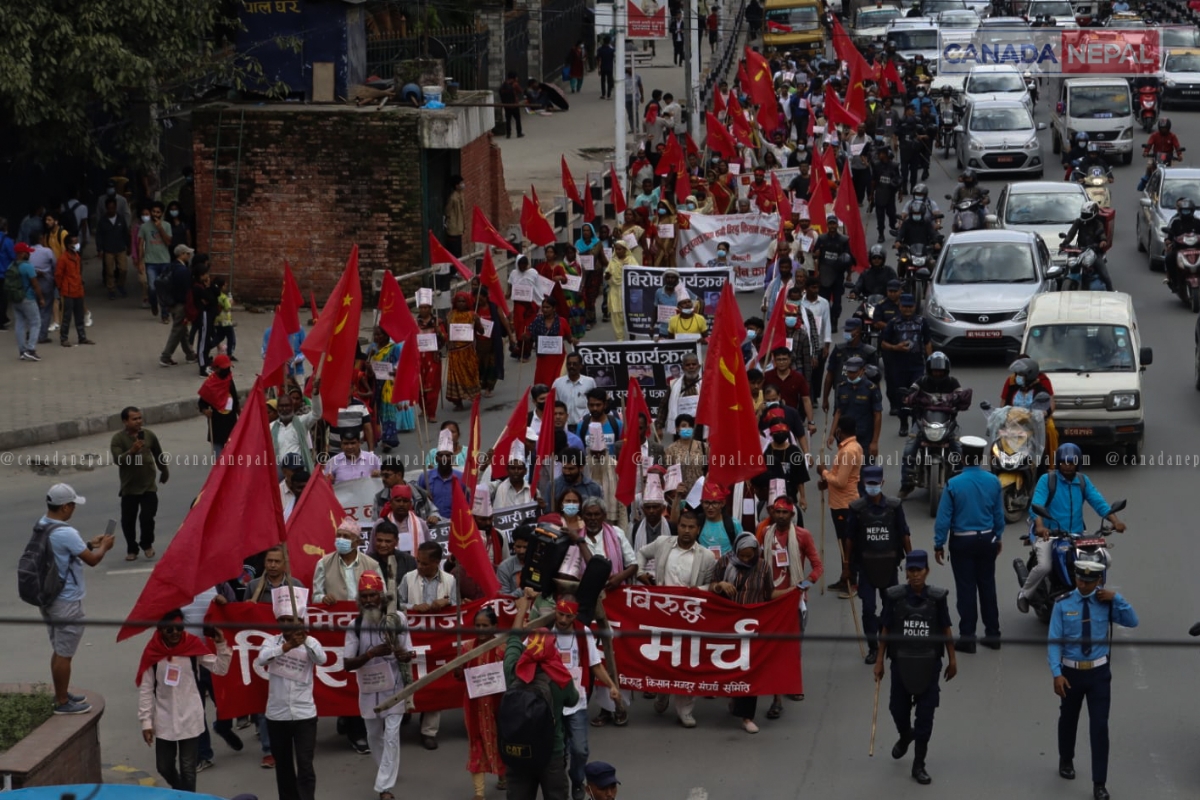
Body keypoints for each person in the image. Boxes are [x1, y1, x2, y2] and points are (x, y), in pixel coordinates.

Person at [1048, 558, 1138, 800]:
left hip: (1098, 673)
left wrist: (1116, 599)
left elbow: (1132, 621)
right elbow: (1054, 641)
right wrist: (1057, 674)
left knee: (1099, 727)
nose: (1084, 585)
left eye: (1089, 581)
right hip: (1071, 672)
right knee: (1068, 719)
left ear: (1099, 581)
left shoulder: (1105, 602)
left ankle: (1100, 783)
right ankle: (1066, 758)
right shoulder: (1063, 604)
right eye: (1080, 580)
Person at [873, 550, 956, 786]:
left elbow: (946, 629)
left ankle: (919, 764)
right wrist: (879, 661)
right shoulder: (895, 598)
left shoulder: (937, 599)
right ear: (906, 572)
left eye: (919, 570)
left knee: (925, 718)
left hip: (929, 665)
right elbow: (886, 630)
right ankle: (905, 734)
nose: (915, 575)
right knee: (897, 708)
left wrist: (952, 660)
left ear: (927, 571)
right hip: (901, 663)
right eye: (911, 570)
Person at [1020, 444, 1126, 612]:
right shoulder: (1047, 480)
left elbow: (1099, 503)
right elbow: (1036, 504)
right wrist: (1040, 526)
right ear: (1058, 462)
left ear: (1078, 463)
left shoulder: (1083, 481)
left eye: (1072, 462)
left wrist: (1116, 521)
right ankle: (1024, 594)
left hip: (1076, 536)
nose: (1067, 466)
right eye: (1064, 462)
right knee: (1044, 566)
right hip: (1050, 534)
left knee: (1105, 559)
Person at [35, 484, 112, 714]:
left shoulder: (42, 525)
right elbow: (93, 560)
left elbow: (68, 553)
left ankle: (61, 692)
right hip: (66, 601)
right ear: (66, 506)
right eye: (73, 505)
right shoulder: (66, 532)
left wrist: (89, 544)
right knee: (65, 653)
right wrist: (105, 547)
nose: (74, 510)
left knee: (60, 649)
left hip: (48, 598)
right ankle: (61, 703)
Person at [137, 610, 232, 792]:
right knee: (163, 766)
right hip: (165, 719)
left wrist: (220, 643)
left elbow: (221, 669)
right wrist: (146, 722)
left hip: (190, 717)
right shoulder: (152, 653)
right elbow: (146, 689)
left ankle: (186, 797)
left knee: (188, 768)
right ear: (160, 631)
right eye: (169, 630)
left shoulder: (192, 647)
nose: (175, 633)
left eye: (179, 628)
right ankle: (181, 792)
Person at [504, 590, 580, 799]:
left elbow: (513, 640)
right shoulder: (559, 678)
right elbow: (573, 699)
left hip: (518, 752)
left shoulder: (513, 670)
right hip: (551, 752)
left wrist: (521, 611)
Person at [343, 572, 413, 800]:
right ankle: (387, 768)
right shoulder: (354, 625)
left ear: (382, 597)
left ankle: (384, 787)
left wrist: (402, 655)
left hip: (394, 687)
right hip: (368, 689)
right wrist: (371, 654)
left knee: (392, 734)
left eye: (373, 595)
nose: (369, 600)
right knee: (374, 735)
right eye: (364, 596)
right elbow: (347, 663)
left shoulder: (398, 619)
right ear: (359, 599)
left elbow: (408, 653)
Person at [254, 587, 329, 800]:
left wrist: (303, 641)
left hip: (304, 714)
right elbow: (262, 659)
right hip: (277, 715)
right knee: (284, 766)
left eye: (291, 620)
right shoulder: (271, 642)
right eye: (283, 620)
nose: (287, 624)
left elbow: (321, 659)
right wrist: (286, 647)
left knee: (305, 764)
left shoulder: (311, 642)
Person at [933, 435, 1005, 653]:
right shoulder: (993, 481)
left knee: (966, 589)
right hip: (987, 539)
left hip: (962, 542)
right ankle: (993, 634)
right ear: (981, 457)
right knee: (987, 586)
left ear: (963, 457)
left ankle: (967, 637)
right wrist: (998, 537)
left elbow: (943, 518)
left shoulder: (954, 484)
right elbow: (998, 515)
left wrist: (939, 544)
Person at [710, 532, 787, 733]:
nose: (745, 560)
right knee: (730, 665)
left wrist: (793, 591)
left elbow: (769, 593)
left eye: (749, 556)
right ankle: (734, 698)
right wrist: (720, 585)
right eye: (742, 555)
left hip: (751, 626)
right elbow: (710, 587)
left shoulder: (763, 567)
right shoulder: (724, 563)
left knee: (749, 669)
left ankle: (747, 717)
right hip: (727, 624)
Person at [754, 496, 822, 715]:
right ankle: (776, 694)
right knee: (773, 647)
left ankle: (791, 686)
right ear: (772, 513)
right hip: (771, 598)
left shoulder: (803, 535)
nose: (781, 516)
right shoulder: (765, 534)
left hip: (794, 599)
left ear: (792, 515)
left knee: (792, 647)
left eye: (785, 512)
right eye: (777, 512)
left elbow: (817, 566)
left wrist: (804, 584)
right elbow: (757, 562)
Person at [552, 596, 621, 799]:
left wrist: (611, 685)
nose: (563, 620)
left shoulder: (583, 632)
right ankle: (559, 787)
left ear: (575, 615)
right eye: (560, 614)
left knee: (580, 750)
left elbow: (595, 665)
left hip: (577, 703)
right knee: (558, 753)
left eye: (568, 616)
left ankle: (577, 780)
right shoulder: (544, 632)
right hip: (551, 703)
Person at [846, 466, 911, 664]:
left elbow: (904, 533)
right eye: (869, 483)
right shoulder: (856, 509)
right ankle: (873, 647)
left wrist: (911, 560)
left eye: (875, 483)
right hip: (866, 568)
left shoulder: (893, 506)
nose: (872, 487)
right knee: (868, 609)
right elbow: (849, 538)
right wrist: (847, 566)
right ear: (864, 483)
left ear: (882, 483)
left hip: (889, 566)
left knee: (890, 606)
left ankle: (888, 640)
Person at [399, 541, 458, 749]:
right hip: (413, 639)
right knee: (409, 678)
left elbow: (462, 609)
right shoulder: (408, 578)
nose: (420, 566)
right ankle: (404, 717)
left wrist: (449, 602)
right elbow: (398, 604)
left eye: (424, 563)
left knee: (435, 683)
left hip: (439, 642)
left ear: (436, 562)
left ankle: (429, 731)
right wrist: (414, 607)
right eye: (418, 561)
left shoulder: (450, 581)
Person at [899, 351, 968, 496]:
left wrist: (962, 402)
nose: (937, 374)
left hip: (948, 422)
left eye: (940, 371)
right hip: (923, 422)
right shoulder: (921, 382)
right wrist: (907, 398)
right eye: (935, 371)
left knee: (960, 450)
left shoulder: (953, 383)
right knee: (908, 451)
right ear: (929, 370)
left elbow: (961, 396)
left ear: (946, 371)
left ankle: (962, 484)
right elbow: (910, 393)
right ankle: (906, 484)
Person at [456, 606, 506, 800]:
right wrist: (459, 670)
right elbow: (460, 675)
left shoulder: (503, 648)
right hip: (474, 707)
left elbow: (512, 674)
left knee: (502, 742)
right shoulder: (467, 648)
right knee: (477, 745)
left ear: (494, 627)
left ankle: (503, 777)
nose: (480, 629)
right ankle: (479, 794)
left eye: (485, 625)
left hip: (498, 706)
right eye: (477, 625)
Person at [110, 407, 169, 561]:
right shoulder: (118, 439)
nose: (138, 422)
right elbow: (118, 460)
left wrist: (164, 471)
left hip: (148, 486)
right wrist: (131, 451)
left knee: (147, 518)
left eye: (139, 418)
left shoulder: (148, 435)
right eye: (134, 419)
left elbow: (158, 454)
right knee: (128, 521)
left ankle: (147, 544)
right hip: (129, 488)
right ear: (125, 421)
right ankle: (132, 549)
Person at [880, 293, 932, 436]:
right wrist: (895, 348)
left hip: (917, 365)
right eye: (905, 306)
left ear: (915, 307)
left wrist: (930, 362)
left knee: (916, 395)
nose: (908, 309)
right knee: (902, 397)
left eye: (910, 306)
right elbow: (883, 343)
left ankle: (915, 422)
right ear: (900, 306)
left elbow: (927, 342)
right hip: (898, 366)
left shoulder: (922, 322)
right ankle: (903, 423)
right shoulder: (893, 323)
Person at [828, 356, 883, 463]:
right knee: (846, 469)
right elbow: (838, 412)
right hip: (845, 436)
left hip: (864, 436)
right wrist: (831, 434)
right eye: (849, 372)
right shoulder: (842, 387)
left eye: (854, 372)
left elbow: (877, 415)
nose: (851, 375)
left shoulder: (871, 389)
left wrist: (875, 442)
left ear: (863, 371)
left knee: (865, 469)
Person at [1060, 201, 1114, 291]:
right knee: (1068, 267)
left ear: (1094, 213)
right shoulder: (1078, 222)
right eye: (1083, 214)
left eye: (1087, 214)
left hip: (1094, 252)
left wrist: (1102, 241)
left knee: (1105, 275)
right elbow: (1071, 234)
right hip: (1080, 250)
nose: (1085, 216)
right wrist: (1064, 243)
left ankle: (1111, 291)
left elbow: (1102, 235)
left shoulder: (1097, 224)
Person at [270, 382, 323, 473]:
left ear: (292, 407)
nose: (284, 409)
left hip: (300, 472)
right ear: (277, 408)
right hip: (279, 472)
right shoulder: (271, 427)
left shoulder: (301, 422)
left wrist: (315, 395)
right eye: (281, 406)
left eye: (287, 406)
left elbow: (316, 413)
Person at [197, 354, 240, 458]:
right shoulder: (210, 384)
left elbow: (234, 398)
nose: (227, 370)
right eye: (224, 368)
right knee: (219, 458)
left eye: (228, 367)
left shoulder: (229, 380)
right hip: (216, 425)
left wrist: (240, 411)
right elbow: (201, 403)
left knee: (233, 455)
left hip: (230, 423)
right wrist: (205, 411)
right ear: (216, 368)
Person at [1163, 199, 1200, 293]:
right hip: (1180, 249)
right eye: (1184, 210)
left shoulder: (1197, 221)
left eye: (1188, 210)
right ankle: (1174, 281)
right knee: (1169, 259)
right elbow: (1169, 235)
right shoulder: (1175, 222)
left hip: (1196, 248)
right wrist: (1168, 240)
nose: (1186, 213)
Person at [499, 72, 525, 138]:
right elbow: (520, 91)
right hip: (514, 105)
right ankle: (519, 133)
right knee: (517, 119)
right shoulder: (515, 84)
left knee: (508, 120)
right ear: (514, 77)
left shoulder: (504, 84)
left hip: (507, 105)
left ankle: (508, 134)